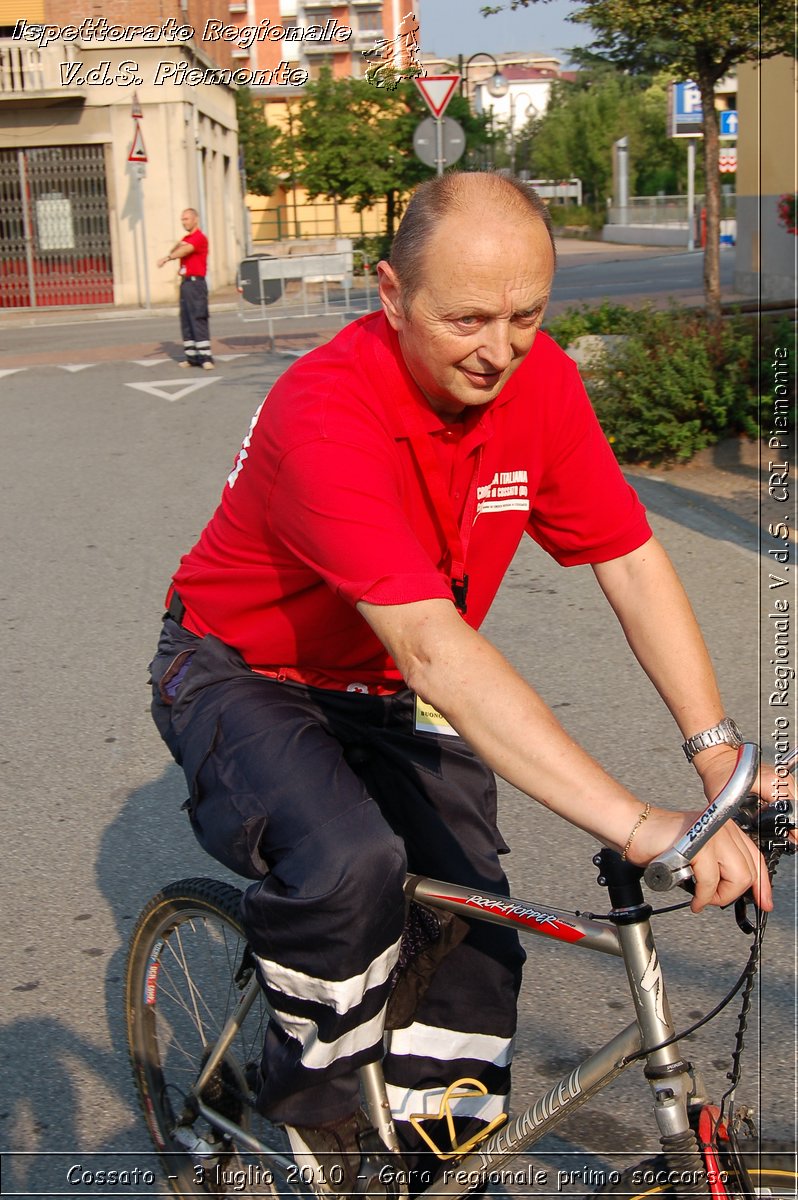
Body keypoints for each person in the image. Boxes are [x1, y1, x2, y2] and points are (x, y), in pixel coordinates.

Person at [148, 172, 782, 1194]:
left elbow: (627, 556)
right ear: (390, 295)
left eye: (527, 314)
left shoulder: (541, 389)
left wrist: (718, 757)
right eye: (467, 318)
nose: (500, 349)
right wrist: (636, 823)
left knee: (475, 915)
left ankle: (445, 1156)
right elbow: (437, 649)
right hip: (242, 669)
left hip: (389, 678)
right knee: (350, 865)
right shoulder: (327, 410)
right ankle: (311, 1103)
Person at [157, 208, 214, 369]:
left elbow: (185, 250)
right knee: (186, 320)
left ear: (195, 219)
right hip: (186, 282)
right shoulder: (186, 238)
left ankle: (205, 357)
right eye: (182, 219)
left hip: (196, 283)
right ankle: (192, 356)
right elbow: (176, 249)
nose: (184, 222)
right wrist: (177, 245)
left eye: (186, 219)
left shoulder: (199, 238)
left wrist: (168, 258)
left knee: (198, 317)